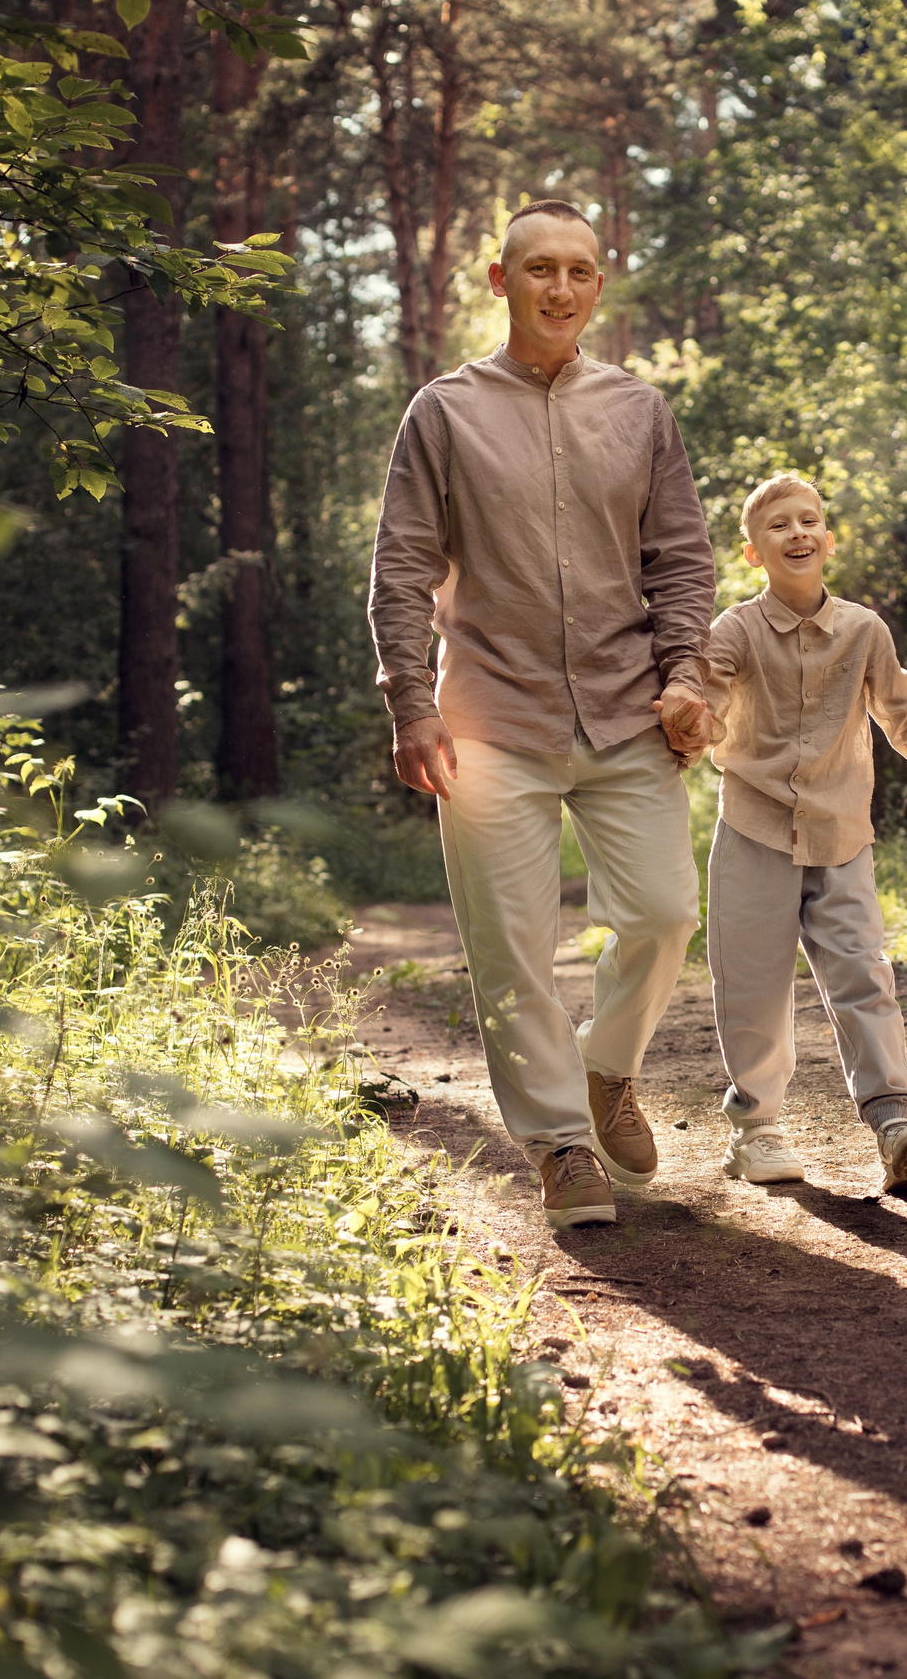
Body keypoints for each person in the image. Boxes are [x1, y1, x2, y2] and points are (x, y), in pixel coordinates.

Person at [368, 199, 715, 1230]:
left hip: (623, 714)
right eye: (537, 270)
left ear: (598, 286)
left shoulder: (641, 411)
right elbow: (400, 566)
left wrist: (685, 673)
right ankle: (561, 1144)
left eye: (577, 271)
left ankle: (609, 1067)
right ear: (497, 279)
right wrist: (407, 700)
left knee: (662, 913)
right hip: (487, 718)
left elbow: (682, 558)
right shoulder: (444, 411)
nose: (558, 289)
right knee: (512, 948)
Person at [658, 474, 907, 1191]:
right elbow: (706, 703)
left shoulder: (864, 630)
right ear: (753, 552)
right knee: (751, 985)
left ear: (829, 540)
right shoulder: (735, 630)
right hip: (754, 831)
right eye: (779, 525)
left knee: (863, 972)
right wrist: (690, 721)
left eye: (810, 520)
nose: (798, 533)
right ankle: (758, 1127)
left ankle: (896, 1118)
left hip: (841, 836)